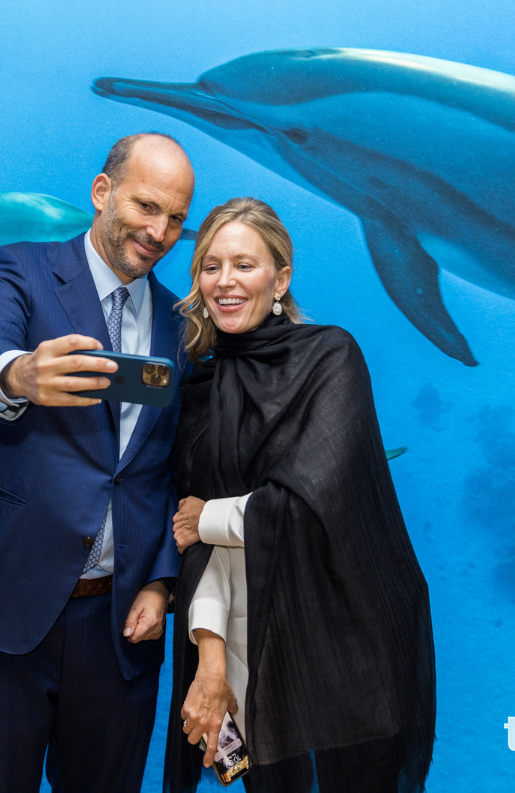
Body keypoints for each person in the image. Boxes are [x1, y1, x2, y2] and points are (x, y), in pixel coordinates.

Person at [0, 133, 195, 793]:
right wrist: (18, 373)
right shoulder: (18, 269)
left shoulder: (184, 326)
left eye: (175, 218)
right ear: (101, 192)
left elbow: (182, 471)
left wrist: (161, 581)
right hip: (2, 606)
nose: (158, 231)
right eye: (146, 206)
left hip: (121, 627)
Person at [164, 198, 436, 793]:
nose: (226, 282)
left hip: (346, 649)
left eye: (244, 264)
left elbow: (314, 507)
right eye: (211, 267)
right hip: (249, 657)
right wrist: (210, 667)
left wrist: (211, 516)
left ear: (280, 278)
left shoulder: (330, 357)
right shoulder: (201, 386)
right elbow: (196, 551)